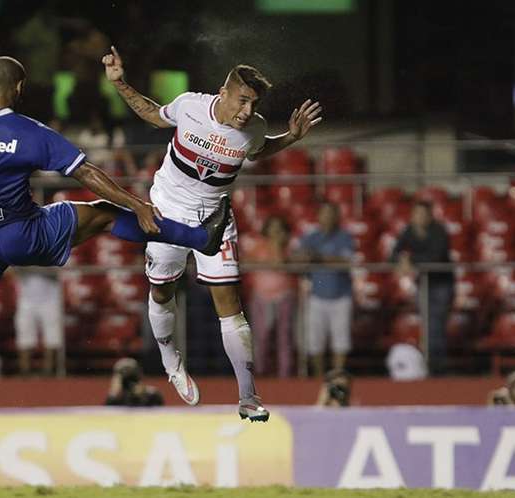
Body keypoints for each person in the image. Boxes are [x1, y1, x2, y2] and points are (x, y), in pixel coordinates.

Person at [0, 56, 231, 396]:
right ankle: (200, 238)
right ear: (19, 88)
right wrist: (136, 203)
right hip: (22, 233)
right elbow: (86, 172)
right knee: (104, 213)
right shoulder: (29, 132)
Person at [103, 46, 322, 422]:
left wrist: (290, 137)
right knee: (162, 292)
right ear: (223, 92)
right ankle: (172, 364)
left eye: (253, 104)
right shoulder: (190, 106)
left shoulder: (252, 128)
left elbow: (258, 150)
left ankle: (248, 396)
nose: (247, 111)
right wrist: (119, 82)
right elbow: (154, 116)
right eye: (242, 101)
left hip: (214, 222)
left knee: (230, 307)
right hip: (166, 212)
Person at [391, 201, 455, 375]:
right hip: (424, 284)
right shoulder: (409, 231)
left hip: (441, 284)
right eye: (417, 214)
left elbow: (437, 256)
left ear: (430, 216)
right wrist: (402, 259)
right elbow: (394, 253)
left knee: (436, 324)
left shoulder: (439, 231)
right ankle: (431, 363)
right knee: (428, 324)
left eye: (424, 214)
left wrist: (410, 260)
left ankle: (437, 366)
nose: (420, 218)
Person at [295, 202, 355, 378]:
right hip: (317, 296)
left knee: (341, 340)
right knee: (315, 341)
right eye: (324, 213)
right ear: (318, 216)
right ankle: (320, 378)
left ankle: (337, 378)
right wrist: (306, 258)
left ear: (337, 216)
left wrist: (319, 258)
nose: (327, 217)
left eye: (331, 214)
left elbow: (347, 261)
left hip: (341, 295)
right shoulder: (311, 237)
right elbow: (298, 257)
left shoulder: (345, 237)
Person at [243, 216, 297, 377]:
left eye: (279, 228)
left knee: (284, 335)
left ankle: (285, 373)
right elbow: (245, 263)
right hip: (261, 297)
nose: (275, 232)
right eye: (273, 228)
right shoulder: (258, 246)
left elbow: (283, 262)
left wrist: (279, 247)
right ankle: (260, 371)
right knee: (262, 335)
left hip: (284, 296)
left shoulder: (289, 246)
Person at [13, 268, 64, 376]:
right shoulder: (22, 251)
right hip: (26, 300)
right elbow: (14, 267)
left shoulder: (52, 250)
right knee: (24, 334)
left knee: (52, 336)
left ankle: (49, 371)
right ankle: (24, 371)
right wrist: (38, 265)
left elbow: (57, 269)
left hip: (50, 299)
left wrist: (30, 265)